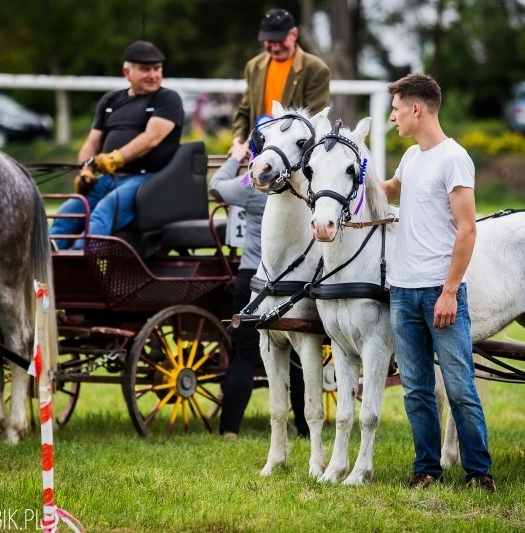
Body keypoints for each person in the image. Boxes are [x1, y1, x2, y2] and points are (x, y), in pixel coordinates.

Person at [380, 74, 495, 492]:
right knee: (415, 390)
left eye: (395, 110)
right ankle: (426, 468)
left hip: (438, 292)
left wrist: (449, 292)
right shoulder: (412, 158)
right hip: (402, 291)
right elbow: (391, 190)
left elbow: (467, 230)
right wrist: (348, 175)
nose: (392, 117)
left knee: (460, 387)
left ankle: (479, 472)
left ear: (417, 109)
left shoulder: (454, 158)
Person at [210, 132, 308, 439]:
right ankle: (305, 429)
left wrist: (235, 157)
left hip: (254, 277)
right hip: (294, 279)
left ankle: (230, 429)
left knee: (244, 353)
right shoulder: (300, 183)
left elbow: (216, 188)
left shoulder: (253, 184)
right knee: (301, 354)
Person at [49, 40, 183, 249]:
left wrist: (115, 158)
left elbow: (151, 138)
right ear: (126, 73)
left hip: (149, 179)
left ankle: (79, 260)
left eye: (157, 69)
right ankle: (50, 258)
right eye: (145, 70)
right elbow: (92, 141)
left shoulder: (167, 99)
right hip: (110, 178)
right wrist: (86, 170)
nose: (153, 75)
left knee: (105, 210)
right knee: (70, 210)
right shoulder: (110, 100)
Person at [230, 8, 331, 153]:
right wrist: (238, 142)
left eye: (280, 40)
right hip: (256, 150)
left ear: (294, 34)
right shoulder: (253, 67)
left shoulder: (316, 69)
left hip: (293, 155)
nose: (275, 47)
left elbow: (315, 120)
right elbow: (245, 111)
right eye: (270, 41)